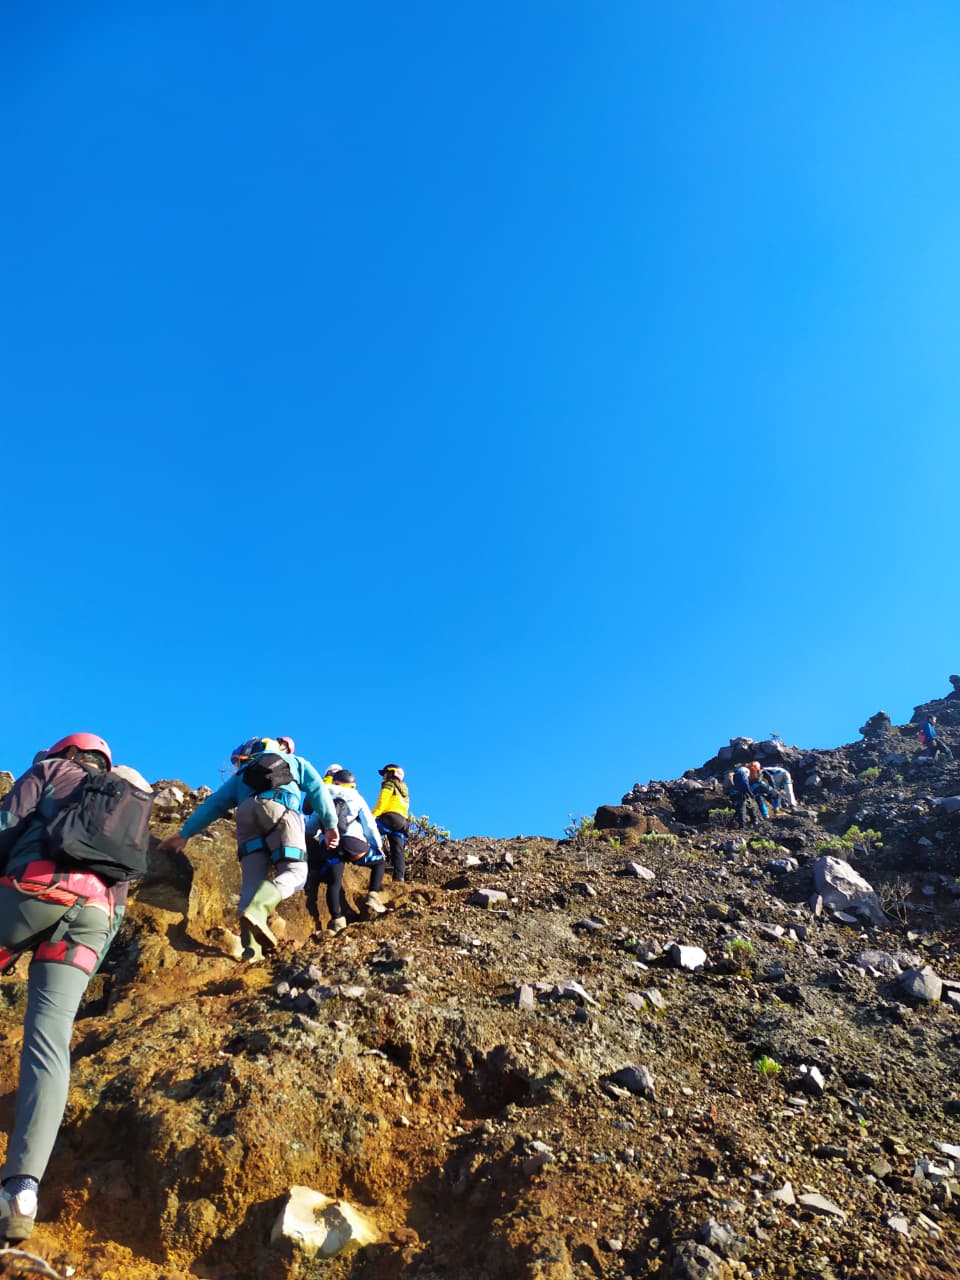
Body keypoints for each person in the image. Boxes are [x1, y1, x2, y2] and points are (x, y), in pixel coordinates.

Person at [0, 733, 145, 1242]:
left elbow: (4, 828)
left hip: (31, 888)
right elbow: (121, 899)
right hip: (93, 918)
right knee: (50, 1037)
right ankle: (21, 1190)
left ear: (63, 753)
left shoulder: (51, 774)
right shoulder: (124, 808)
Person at [158, 738, 338, 963]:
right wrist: (330, 824)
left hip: (246, 816)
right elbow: (317, 788)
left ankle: (251, 952)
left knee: (251, 884)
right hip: (280, 809)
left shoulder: (242, 773)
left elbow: (215, 804)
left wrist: (185, 833)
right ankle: (260, 909)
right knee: (296, 873)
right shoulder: (294, 761)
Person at [307, 769, 385, 934]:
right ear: (353, 785)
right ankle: (373, 895)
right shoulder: (356, 797)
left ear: (335, 781)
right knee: (379, 862)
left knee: (334, 882)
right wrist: (378, 846)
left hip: (329, 845)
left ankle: (337, 921)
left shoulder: (323, 794)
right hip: (352, 843)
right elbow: (369, 825)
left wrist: (311, 840)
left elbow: (312, 825)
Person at [372, 763, 411, 883]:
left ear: (391, 773)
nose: (383, 776)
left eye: (384, 773)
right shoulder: (404, 790)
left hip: (390, 817)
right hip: (403, 822)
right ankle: (399, 878)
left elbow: (381, 803)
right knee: (398, 850)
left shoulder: (389, 785)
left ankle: (370, 863)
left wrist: (372, 817)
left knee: (370, 833)